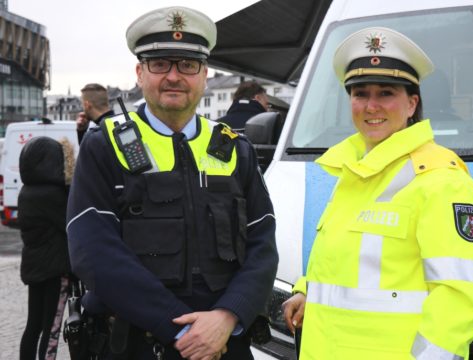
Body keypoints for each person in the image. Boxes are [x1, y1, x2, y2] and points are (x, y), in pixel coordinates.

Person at [66, 6, 278, 360]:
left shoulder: (235, 149)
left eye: (187, 65)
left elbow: (262, 243)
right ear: (139, 72)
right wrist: (180, 330)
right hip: (135, 344)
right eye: (160, 64)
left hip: (224, 343)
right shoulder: (104, 146)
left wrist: (228, 317)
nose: (174, 76)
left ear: (205, 74)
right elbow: (93, 252)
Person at [282, 27, 473, 359]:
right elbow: (348, 260)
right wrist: (307, 289)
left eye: (386, 93)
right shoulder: (353, 170)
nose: (371, 106)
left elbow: (461, 300)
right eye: (360, 93)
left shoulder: (443, 181)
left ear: (412, 103)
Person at [18, 136, 75, 360]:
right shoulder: (52, 194)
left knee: (33, 327)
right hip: (56, 270)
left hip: (35, 268)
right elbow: (70, 223)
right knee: (52, 329)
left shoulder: (27, 191)